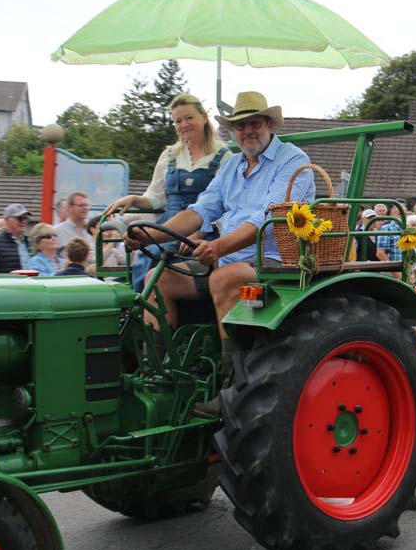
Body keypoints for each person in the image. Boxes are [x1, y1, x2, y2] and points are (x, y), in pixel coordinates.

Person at [125, 90, 314, 386]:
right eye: (241, 126)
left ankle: (232, 386)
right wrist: (151, 237)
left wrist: (218, 246)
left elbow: (267, 217)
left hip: (276, 260)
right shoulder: (232, 165)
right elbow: (200, 210)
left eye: (255, 123)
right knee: (157, 279)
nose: (248, 131)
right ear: (233, 131)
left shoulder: (293, 161)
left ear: (269, 124)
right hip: (228, 257)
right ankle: (158, 378)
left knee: (223, 278)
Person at [104, 94, 230, 280]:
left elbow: (225, 205)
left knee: (180, 261)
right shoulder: (170, 155)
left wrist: (198, 232)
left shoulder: (224, 156)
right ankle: (139, 302)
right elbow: (156, 198)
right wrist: (134, 199)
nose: (184, 125)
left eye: (189, 118)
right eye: (178, 121)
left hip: (205, 229)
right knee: (150, 257)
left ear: (204, 117)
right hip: (168, 226)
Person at [55, 192, 91, 256]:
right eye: (81, 205)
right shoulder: (57, 231)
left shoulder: (93, 230)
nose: (85, 208)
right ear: (69, 208)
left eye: (87, 205)